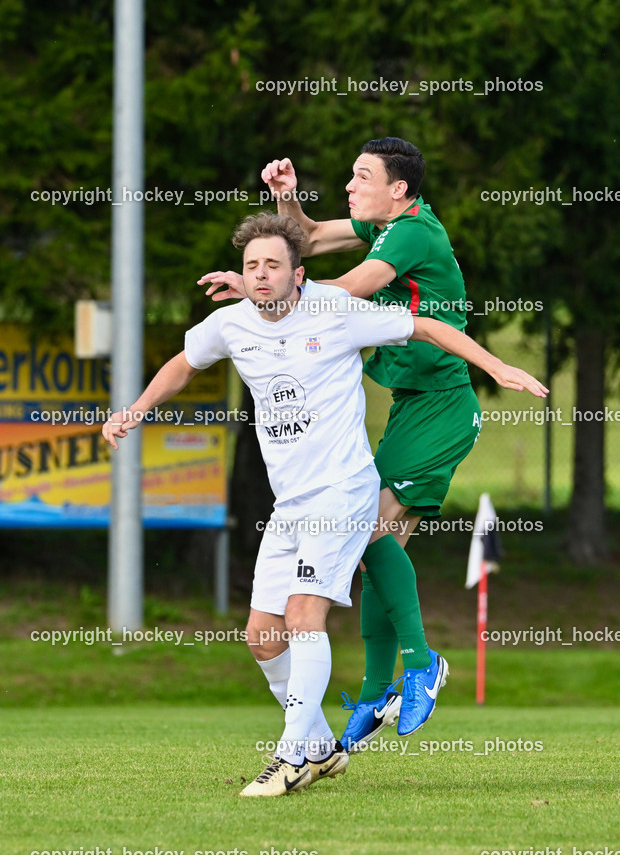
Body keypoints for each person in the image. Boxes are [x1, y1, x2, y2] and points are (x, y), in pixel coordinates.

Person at [105, 212, 545, 797]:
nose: (261, 276)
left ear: (299, 275)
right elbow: (184, 365)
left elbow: (426, 328)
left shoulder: (335, 314)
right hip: (290, 504)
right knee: (263, 636)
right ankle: (317, 746)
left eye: (273, 266)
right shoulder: (230, 324)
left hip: (342, 489)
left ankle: (290, 757)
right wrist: (135, 410)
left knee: (303, 619)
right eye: (252, 266)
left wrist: (495, 365)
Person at [199, 139, 539, 752]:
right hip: (413, 405)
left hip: (441, 406)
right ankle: (381, 688)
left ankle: (419, 665)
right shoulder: (381, 227)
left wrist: (259, 290)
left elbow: (343, 290)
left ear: (400, 190)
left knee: (370, 531)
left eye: (362, 177)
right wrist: (286, 201)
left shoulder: (410, 234)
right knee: (368, 549)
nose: (351, 187)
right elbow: (308, 237)